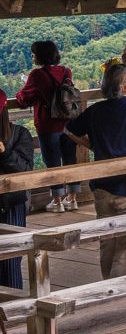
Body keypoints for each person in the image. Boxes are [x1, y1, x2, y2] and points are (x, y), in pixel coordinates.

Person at [65, 63, 126, 278]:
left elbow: (69, 130)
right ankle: (118, 289)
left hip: (102, 186)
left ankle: (106, 283)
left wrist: (93, 146)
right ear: (124, 87)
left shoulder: (96, 110)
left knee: (107, 241)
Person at [12, 40, 79, 213]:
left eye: (34, 54)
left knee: (52, 162)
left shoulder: (37, 74)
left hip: (48, 123)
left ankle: (57, 202)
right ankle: (72, 199)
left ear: (40, 56)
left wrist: (19, 94)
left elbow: (24, 98)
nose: (32, 57)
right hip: (69, 122)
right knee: (70, 159)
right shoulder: (66, 71)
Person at [0, 95, 36, 289]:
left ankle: (13, 305)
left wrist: (5, 152)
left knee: (11, 259)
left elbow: (25, 171)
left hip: (11, 204)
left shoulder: (19, 134)